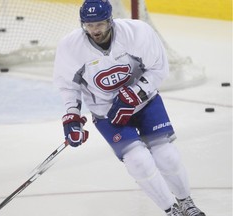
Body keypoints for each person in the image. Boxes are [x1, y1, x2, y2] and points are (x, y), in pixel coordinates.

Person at [53, 0, 206, 215]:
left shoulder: (137, 33)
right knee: (138, 161)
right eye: (89, 25)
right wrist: (72, 117)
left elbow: (159, 69)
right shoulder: (70, 47)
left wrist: (134, 94)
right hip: (107, 113)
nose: (94, 30)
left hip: (145, 102)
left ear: (110, 20)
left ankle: (186, 203)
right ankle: (172, 211)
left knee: (166, 155)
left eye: (99, 24)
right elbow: (68, 86)